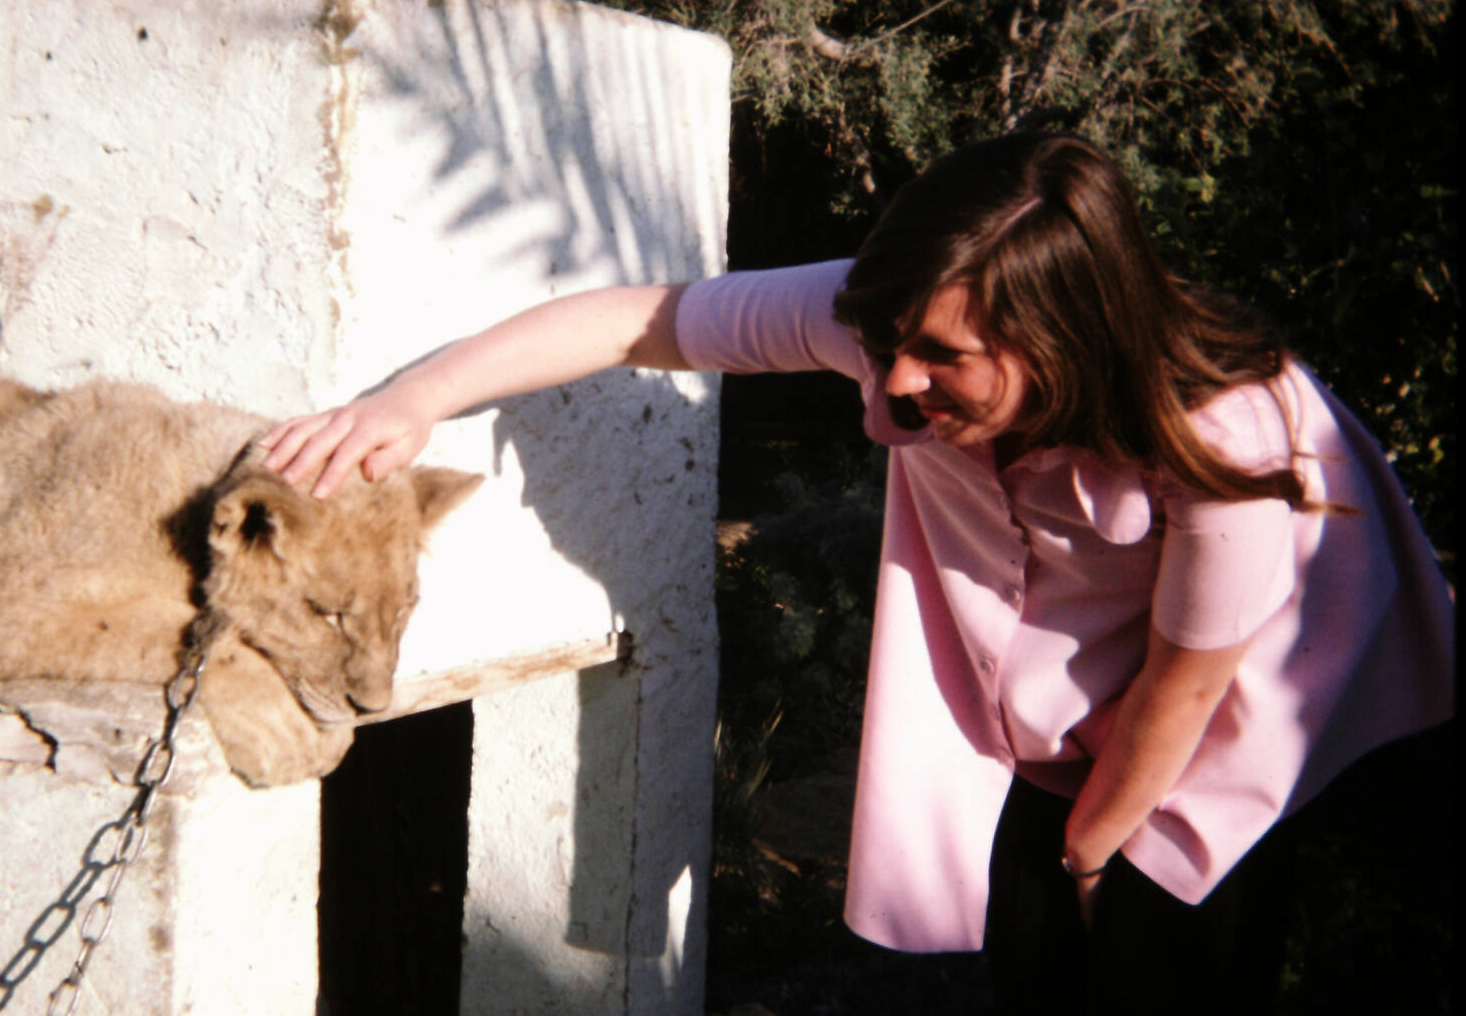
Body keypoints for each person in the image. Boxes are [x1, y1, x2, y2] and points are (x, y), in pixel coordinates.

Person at [262, 132, 1453, 1012]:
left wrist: (1098, 855)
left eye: (943, 358)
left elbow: (1191, 685)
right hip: (1064, 701)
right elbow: (640, 321)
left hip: (1225, 716)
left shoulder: (1223, 429)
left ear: (1065, 335)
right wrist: (409, 400)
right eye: (883, 347)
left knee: (1157, 945)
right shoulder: (884, 322)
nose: (894, 386)